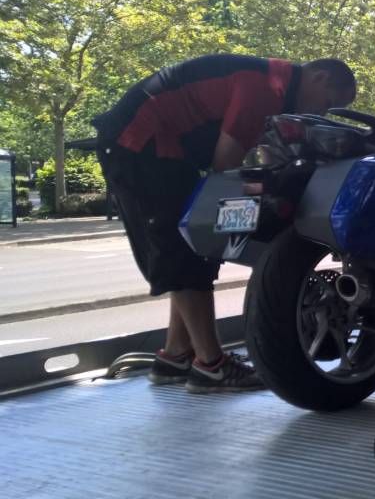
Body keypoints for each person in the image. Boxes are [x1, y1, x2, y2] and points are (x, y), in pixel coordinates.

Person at [92, 55, 356, 393]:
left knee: (192, 249)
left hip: (162, 148)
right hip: (140, 143)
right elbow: (226, 165)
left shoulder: (272, 82)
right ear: (319, 77)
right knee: (180, 252)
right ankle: (211, 366)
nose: (321, 113)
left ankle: (176, 356)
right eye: (328, 103)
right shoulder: (265, 87)